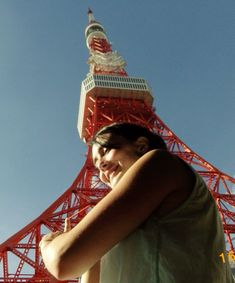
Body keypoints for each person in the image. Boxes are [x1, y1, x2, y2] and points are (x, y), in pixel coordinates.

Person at [40, 122, 234, 283]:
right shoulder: (121, 229)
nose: (102, 167)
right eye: (97, 165)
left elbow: (62, 261)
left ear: (141, 145)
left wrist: (49, 244)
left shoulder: (161, 163)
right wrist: (90, 255)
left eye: (106, 151)